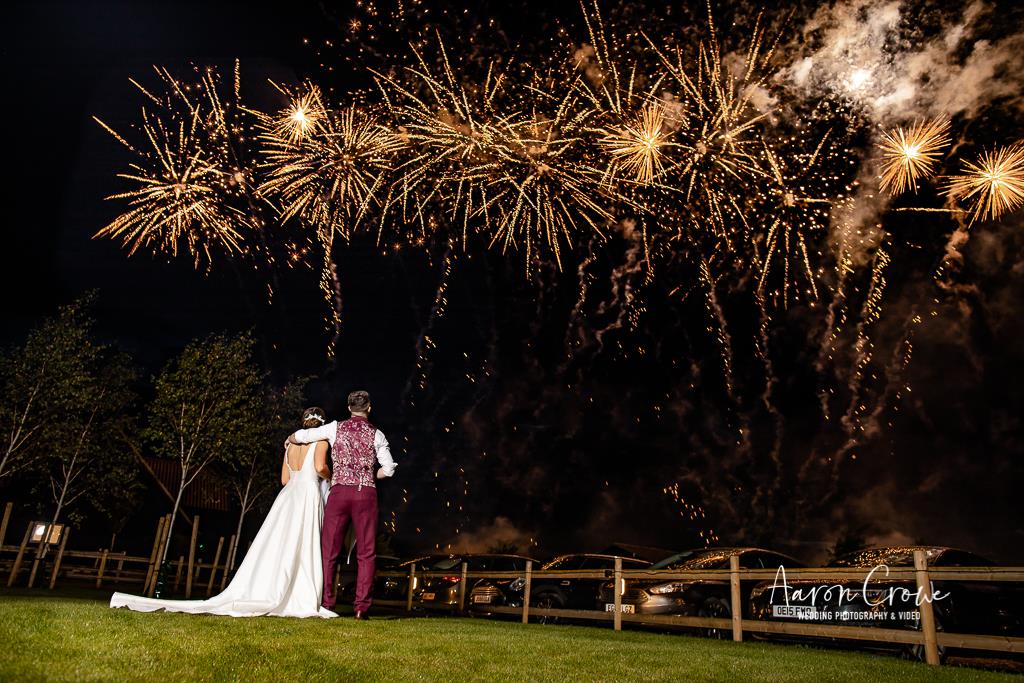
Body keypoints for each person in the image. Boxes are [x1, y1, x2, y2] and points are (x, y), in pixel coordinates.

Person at [109, 408, 337, 619]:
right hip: (307, 494)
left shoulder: (290, 445)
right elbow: (319, 467)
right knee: (305, 542)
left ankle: (274, 586)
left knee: (280, 544)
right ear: (321, 425)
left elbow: (284, 480)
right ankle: (298, 593)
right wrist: (330, 477)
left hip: (287, 497)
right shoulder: (321, 442)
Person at [287, 390, 396, 619]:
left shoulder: (334, 428)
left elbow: (303, 436)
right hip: (365, 493)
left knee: (330, 551)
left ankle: (327, 603)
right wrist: (370, 475)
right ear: (369, 407)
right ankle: (360, 608)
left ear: (348, 408)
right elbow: (388, 469)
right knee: (366, 553)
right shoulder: (378, 434)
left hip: (338, 493)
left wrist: (291, 439)